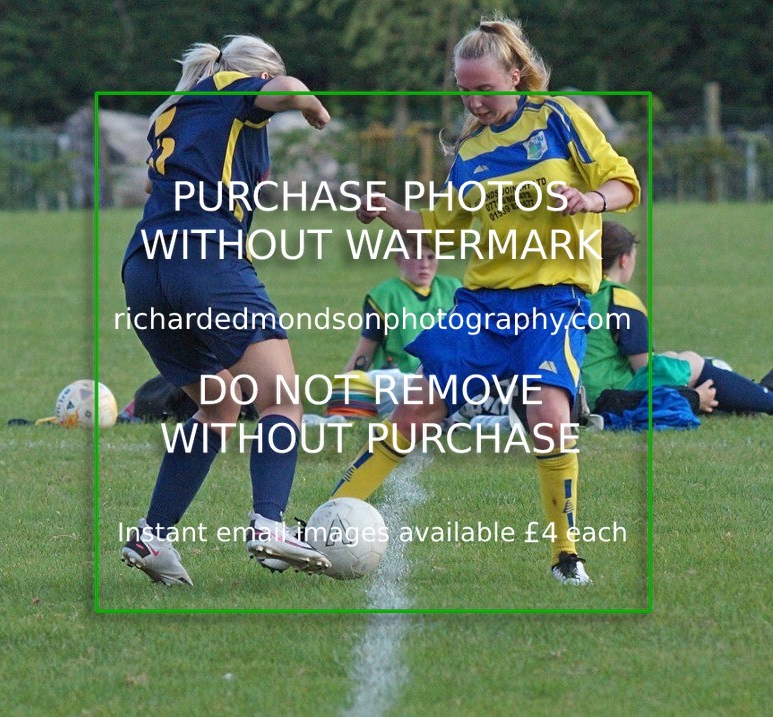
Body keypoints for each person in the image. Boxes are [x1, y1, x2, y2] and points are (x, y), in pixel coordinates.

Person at [330, 16, 641, 586]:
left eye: (485, 88)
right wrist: (386, 210)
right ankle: (325, 525)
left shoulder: (560, 117)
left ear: (516, 75)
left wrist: (589, 198)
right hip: (483, 304)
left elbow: (624, 182)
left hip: (554, 301)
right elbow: (438, 230)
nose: (474, 101)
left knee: (549, 416)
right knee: (418, 408)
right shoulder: (470, 151)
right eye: (465, 90)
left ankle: (566, 553)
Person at [119, 35, 333, 586]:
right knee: (281, 399)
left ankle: (152, 534)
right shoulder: (231, 88)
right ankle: (269, 524)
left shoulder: (177, 110)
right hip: (204, 261)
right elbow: (286, 90)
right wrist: (309, 103)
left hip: (146, 267)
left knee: (218, 407)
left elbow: (154, 181)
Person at [582, 221, 773, 416]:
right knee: (692, 363)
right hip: (605, 396)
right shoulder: (621, 300)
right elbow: (645, 368)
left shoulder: (576, 291)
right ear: (624, 260)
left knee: (673, 358)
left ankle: (749, 398)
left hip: (576, 392)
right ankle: (766, 399)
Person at [327, 239, 461, 418]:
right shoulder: (384, 295)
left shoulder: (454, 289)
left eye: (431, 257)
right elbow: (363, 356)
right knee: (382, 382)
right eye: (416, 257)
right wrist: (341, 397)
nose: (425, 265)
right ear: (398, 259)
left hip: (449, 378)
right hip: (404, 381)